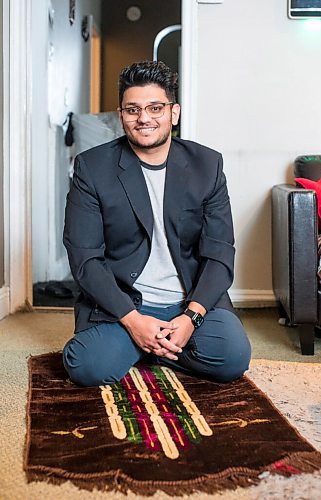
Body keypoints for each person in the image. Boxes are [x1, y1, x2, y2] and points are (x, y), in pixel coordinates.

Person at [62, 60, 251, 387]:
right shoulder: (92, 168)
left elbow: (220, 253)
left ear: (173, 113)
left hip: (187, 301)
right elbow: (85, 258)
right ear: (121, 116)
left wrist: (191, 317)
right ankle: (145, 341)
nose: (144, 118)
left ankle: (149, 348)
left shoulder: (207, 164)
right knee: (86, 366)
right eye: (132, 110)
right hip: (125, 304)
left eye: (155, 108)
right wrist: (133, 321)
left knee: (232, 358)